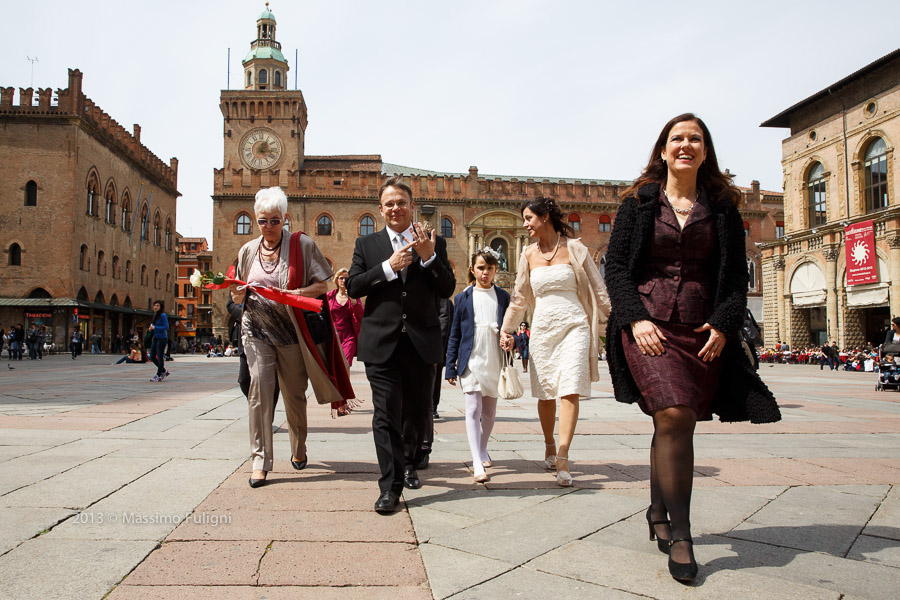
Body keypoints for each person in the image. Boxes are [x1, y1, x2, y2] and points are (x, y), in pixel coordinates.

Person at [604, 113, 780, 582]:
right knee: (676, 415)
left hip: (702, 331)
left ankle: (657, 513)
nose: (686, 145)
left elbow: (737, 276)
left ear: (706, 151)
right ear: (663, 150)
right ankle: (682, 536)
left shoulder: (722, 208)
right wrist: (635, 317)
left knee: (673, 423)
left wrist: (724, 325)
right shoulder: (637, 203)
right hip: (649, 326)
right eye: (676, 138)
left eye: (694, 139)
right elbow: (616, 269)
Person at [346, 175, 455, 513]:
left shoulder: (431, 241)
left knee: (416, 412)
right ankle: (390, 486)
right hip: (382, 342)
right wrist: (387, 268)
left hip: (420, 341)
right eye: (389, 203)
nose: (396, 208)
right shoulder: (367, 246)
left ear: (411, 206)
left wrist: (429, 257)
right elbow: (353, 286)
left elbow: (447, 287)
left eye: (401, 202)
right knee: (385, 413)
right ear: (381, 210)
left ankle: (409, 464)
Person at [231, 186, 350, 489]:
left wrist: (293, 294)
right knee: (259, 390)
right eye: (262, 221)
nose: (268, 227)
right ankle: (260, 461)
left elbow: (323, 287)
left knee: (295, 395)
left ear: (286, 218)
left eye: (274, 221)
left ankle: (299, 447)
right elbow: (238, 293)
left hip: (292, 333)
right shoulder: (247, 251)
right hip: (255, 330)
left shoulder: (303, 245)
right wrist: (236, 293)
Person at [500, 197, 610, 488]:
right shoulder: (527, 255)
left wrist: (623, 321)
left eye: (528, 218)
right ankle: (549, 443)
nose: (525, 224)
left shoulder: (576, 249)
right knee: (546, 393)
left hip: (575, 325)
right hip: (544, 329)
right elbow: (520, 298)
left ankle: (563, 456)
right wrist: (506, 329)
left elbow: (599, 290)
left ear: (545, 216)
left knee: (570, 388)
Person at [446, 248, 510, 483]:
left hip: (494, 356)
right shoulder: (462, 298)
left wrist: (509, 339)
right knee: (473, 408)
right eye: (481, 268)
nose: (485, 272)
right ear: (472, 269)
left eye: (490, 268)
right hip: (471, 356)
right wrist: (450, 366)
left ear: (495, 270)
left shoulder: (503, 297)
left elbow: (508, 329)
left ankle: (483, 448)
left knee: (490, 412)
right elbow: (455, 333)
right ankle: (475, 460)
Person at [326, 268, 364, 366]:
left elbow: (361, 316)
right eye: (341, 278)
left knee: (345, 364)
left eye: (346, 279)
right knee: (334, 365)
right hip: (333, 336)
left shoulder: (354, 296)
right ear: (337, 280)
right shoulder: (329, 296)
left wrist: (354, 302)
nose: (344, 281)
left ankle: (346, 381)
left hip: (349, 337)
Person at [148, 302, 169, 381]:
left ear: (161, 307)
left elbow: (166, 326)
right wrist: (151, 328)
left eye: (157, 305)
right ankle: (164, 371)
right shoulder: (155, 315)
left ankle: (158, 374)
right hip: (156, 338)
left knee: (159, 356)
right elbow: (154, 326)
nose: (155, 307)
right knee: (152, 356)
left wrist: (155, 327)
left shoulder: (163, 315)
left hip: (162, 338)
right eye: (155, 305)